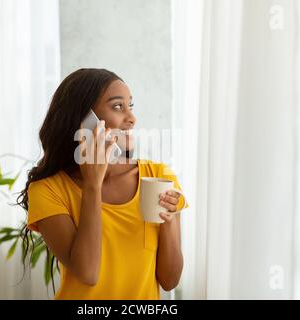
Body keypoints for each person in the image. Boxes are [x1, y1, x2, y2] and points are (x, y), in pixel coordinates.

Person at [17, 68, 188, 299]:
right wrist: (92, 185)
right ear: (86, 119)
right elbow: (87, 273)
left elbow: (169, 281)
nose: (132, 118)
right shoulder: (48, 190)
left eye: (131, 106)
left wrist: (168, 223)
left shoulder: (158, 176)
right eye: (118, 107)